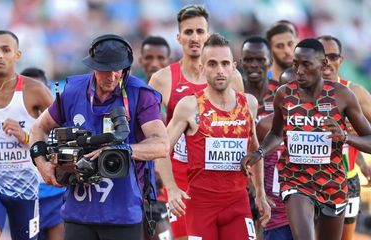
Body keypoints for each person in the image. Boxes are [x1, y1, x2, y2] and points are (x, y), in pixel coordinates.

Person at [29, 34, 169, 240]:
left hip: (123, 214)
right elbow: (38, 128)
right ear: (94, 66)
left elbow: (162, 145)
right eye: (105, 70)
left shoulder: (141, 95)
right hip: (77, 213)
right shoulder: (73, 91)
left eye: (117, 70)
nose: (112, 76)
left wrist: (123, 150)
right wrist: (42, 164)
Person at [242, 38, 371, 240]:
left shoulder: (342, 95)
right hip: (296, 180)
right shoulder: (284, 94)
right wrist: (259, 152)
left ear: (323, 65)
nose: (299, 70)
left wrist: (345, 137)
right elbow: (276, 133)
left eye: (306, 64)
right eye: (295, 64)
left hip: (332, 183)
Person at [160, 33, 270, 240]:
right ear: (202, 68)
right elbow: (161, 149)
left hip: (238, 203)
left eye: (225, 63)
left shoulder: (249, 104)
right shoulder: (189, 106)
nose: (219, 70)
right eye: (212, 64)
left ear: (233, 67)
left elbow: (255, 151)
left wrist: (261, 194)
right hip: (200, 206)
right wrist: (172, 189)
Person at [149, 5, 244, 239]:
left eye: (200, 31)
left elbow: (243, 130)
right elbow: (149, 131)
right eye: (188, 32)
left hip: (223, 182)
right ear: (178, 37)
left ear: (208, 35)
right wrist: (168, 185)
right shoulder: (162, 79)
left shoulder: (233, 78)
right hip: (180, 179)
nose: (194, 38)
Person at [0, 30, 53, 240]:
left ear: (17, 55)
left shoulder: (35, 90)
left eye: (6, 50)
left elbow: (60, 135)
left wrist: (26, 137)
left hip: (24, 186)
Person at [317, 35, 371, 240]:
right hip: (308, 180)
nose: (327, 62)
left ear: (342, 60)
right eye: (322, 57)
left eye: (333, 56)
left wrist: (356, 132)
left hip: (347, 179)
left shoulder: (355, 92)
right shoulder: (300, 91)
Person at [241, 36, 292, 240]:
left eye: (260, 59)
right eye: (248, 59)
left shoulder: (280, 93)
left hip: (274, 187)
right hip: (240, 181)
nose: (254, 65)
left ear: (269, 61)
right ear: (241, 62)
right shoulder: (233, 94)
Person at [20, 67, 65, 240]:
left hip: (55, 194)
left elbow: (61, 145)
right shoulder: (11, 117)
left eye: (39, 88)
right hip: (26, 195)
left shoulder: (57, 118)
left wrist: (24, 137)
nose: (35, 93)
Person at [138, 36, 173, 240]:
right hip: (143, 184)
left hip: (172, 184)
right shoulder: (132, 94)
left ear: (169, 60)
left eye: (160, 58)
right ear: (140, 61)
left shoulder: (179, 97)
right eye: (149, 57)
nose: (154, 63)